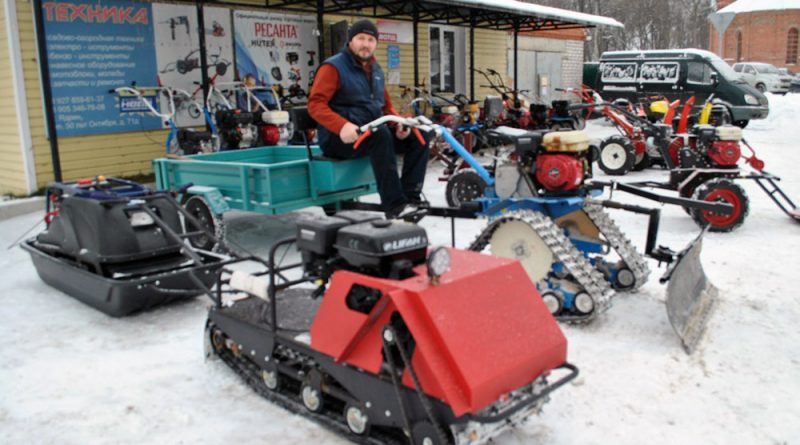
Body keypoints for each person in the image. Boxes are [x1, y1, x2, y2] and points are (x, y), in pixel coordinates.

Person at [308, 19, 430, 218]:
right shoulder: (333, 67)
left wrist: (398, 123)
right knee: (380, 135)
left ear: (376, 43)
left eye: (371, 39)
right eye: (361, 38)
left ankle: (410, 198)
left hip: (369, 133)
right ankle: (395, 206)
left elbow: (385, 106)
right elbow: (315, 105)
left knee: (419, 135)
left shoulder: (376, 70)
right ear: (351, 41)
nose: (366, 44)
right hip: (339, 138)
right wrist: (342, 126)